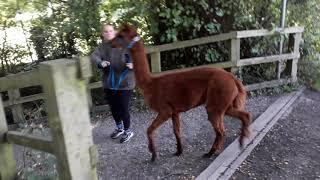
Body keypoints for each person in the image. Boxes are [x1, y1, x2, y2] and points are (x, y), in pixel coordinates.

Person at [90, 23, 135, 143]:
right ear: (102, 34)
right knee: (114, 108)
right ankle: (119, 128)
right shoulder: (102, 47)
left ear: (115, 32)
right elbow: (94, 56)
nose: (109, 33)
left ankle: (128, 131)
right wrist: (100, 63)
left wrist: (132, 64)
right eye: (106, 31)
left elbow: (135, 54)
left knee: (123, 108)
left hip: (125, 82)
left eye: (111, 31)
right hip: (109, 83)